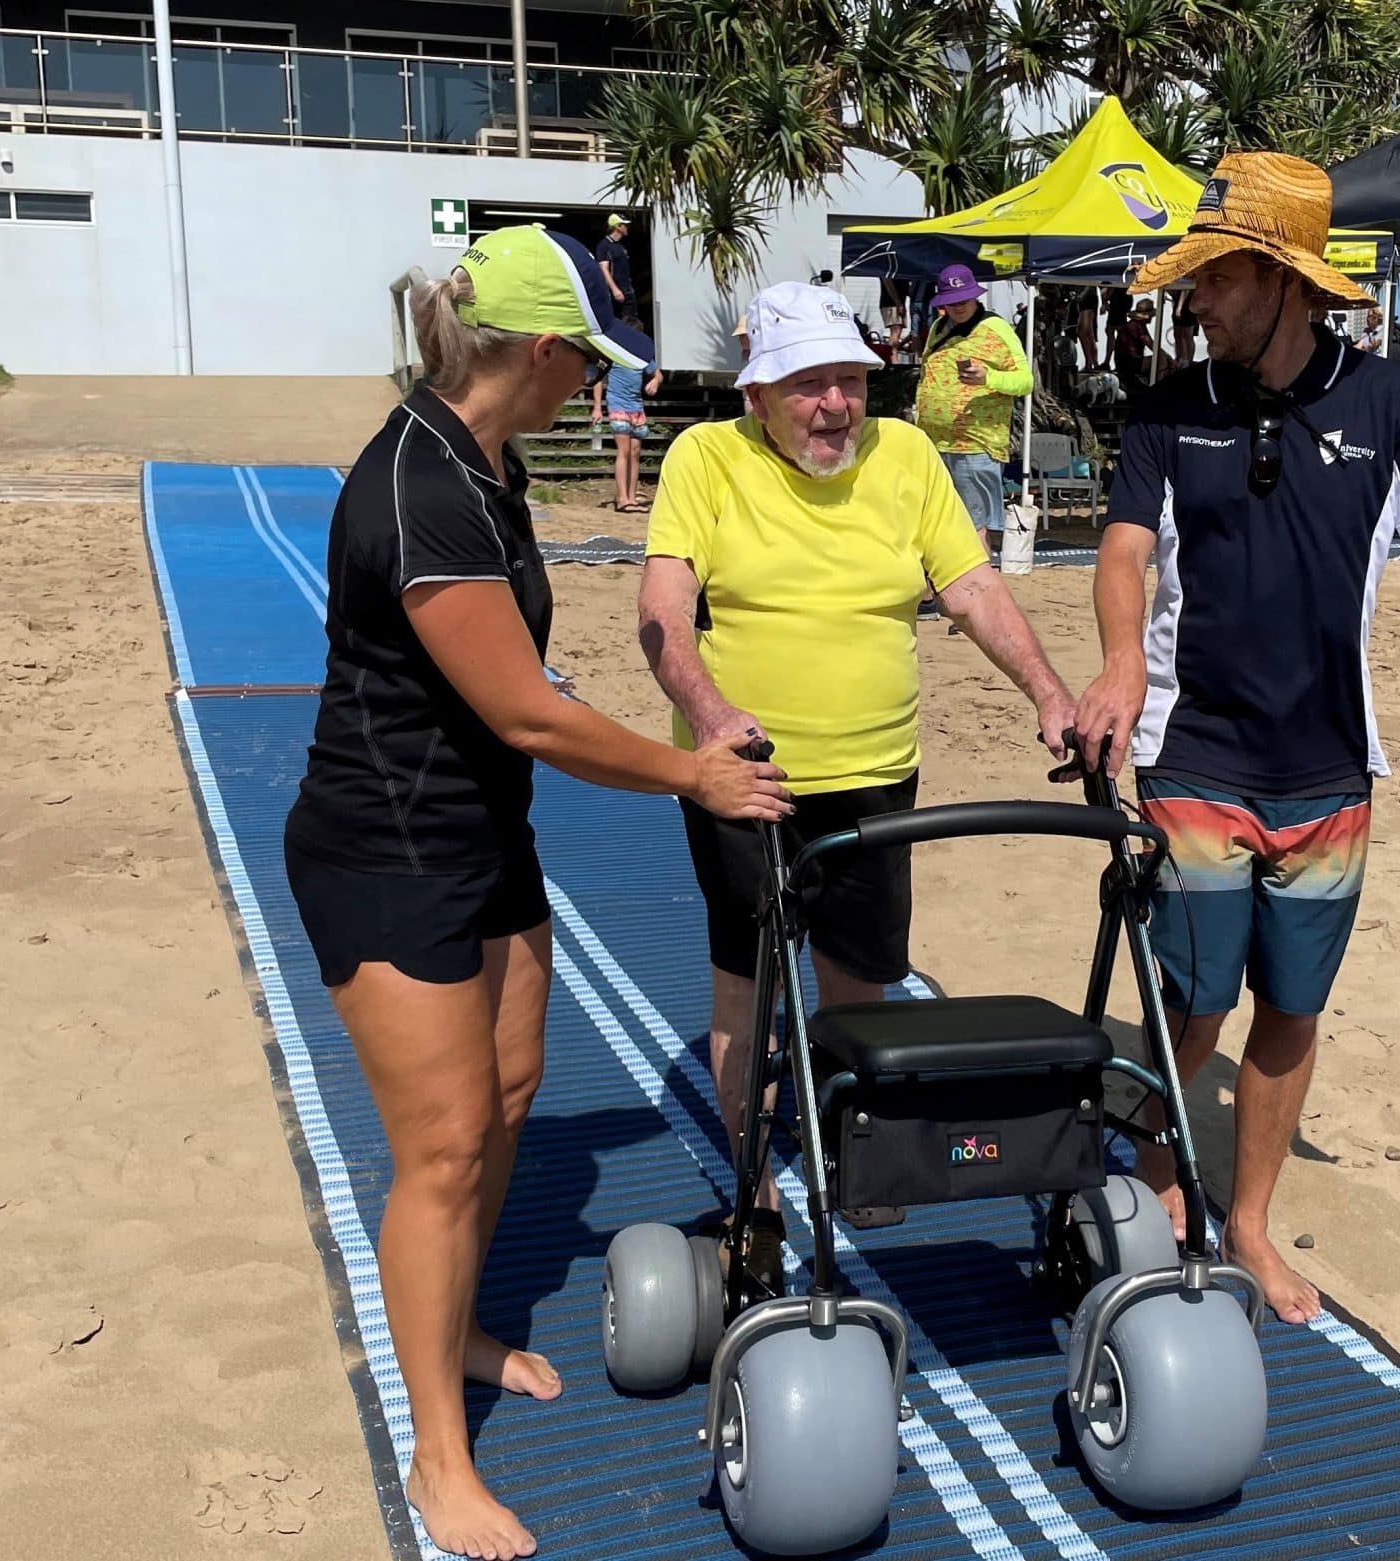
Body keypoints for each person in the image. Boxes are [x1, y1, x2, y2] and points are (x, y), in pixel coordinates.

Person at [281, 225, 789, 1561]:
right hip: (382, 854)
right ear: (546, 353)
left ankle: (462, 1329)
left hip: (480, 841)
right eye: (590, 361)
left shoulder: (486, 465)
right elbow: (528, 714)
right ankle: (438, 1455)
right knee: (442, 1147)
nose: (593, 386)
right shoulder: (418, 487)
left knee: (510, 1093)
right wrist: (693, 775)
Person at [1073, 154, 1400, 1326]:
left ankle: (1246, 1219)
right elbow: (1120, 551)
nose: (1191, 300)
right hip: (1188, 749)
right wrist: (1113, 664)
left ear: (1282, 282)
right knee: (1193, 996)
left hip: (1328, 771)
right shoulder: (1169, 405)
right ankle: (1157, 1176)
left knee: (1290, 1004)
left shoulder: (1387, 402)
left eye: (1212, 278)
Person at [638, 281, 1076, 1290]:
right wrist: (711, 718)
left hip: (876, 771)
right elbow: (662, 607)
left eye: (849, 380)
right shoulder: (706, 459)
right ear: (757, 394)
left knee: (861, 976)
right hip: (743, 778)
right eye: (809, 385)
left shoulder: (907, 456)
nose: (836, 404)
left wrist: (1044, 688)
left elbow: (968, 585)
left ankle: (851, 1138)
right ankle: (754, 1187)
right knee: (745, 991)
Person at [914, 263, 1033, 559]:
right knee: (938, 521)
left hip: (975, 443)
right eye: (950, 301)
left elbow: (1025, 380)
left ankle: (981, 589)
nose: (957, 307)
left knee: (974, 523)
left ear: (975, 296)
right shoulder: (939, 329)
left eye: (962, 300)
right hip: (933, 442)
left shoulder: (995, 328)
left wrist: (988, 378)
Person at [599, 317, 661, 514]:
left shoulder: (641, 356)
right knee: (624, 450)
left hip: (636, 405)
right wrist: (596, 407)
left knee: (635, 452)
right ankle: (622, 499)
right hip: (617, 403)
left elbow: (657, 373)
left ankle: (631, 497)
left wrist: (655, 381)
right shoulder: (614, 353)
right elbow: (598, 379)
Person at [593, 213, 635, 317]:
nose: (627, 228)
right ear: (617, 226)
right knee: (620, 321)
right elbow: (604, 269)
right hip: (616, 291)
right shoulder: (604, 245)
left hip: (627, 289)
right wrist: (615, 290)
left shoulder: (620, 246)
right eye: (625, 225)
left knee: (630, 320)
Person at [1115, 296, 1155, 398]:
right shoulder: (1138, 325)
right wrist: (1168, 358)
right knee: (1159, 359)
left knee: (1157, 358)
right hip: (1129, 363)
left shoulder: (1132, 324)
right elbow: (1151, 345)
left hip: (1123, 362)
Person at [1172, 291, 1198, 367]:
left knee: (1186, 335)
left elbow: (1186, 289)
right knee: (1178, 334)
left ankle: (1187, 360)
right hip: (1180, 303)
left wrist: (1179, 306)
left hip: (1188, 304)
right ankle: (1180, 358)